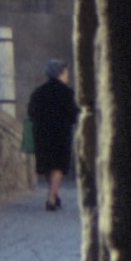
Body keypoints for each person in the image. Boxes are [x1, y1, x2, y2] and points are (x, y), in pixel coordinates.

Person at [27, 58, 77, 211]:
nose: (68, 76)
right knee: (58, 165)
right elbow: (73, 113)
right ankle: (51, 197)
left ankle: (53, 194)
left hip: (41, 133)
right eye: (67, 72)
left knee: (48, 165)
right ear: (60, 73)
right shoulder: (67, 92)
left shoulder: (38, 92)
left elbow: (31, 112)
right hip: (60, 133)